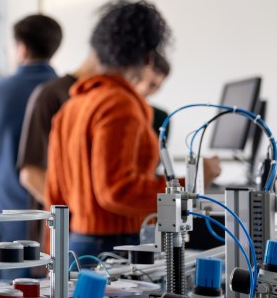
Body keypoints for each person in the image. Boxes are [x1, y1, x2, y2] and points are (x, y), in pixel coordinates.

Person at [45, 0, 220, 257]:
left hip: (77, 244)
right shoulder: (121, 103)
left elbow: (55, 194)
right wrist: (193, 182)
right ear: (148, 58)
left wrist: (54, 256)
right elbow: (117, 191)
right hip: (113, 247)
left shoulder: (73, 106)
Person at [18, 50, 170, 204]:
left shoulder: (141, 112)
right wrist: (70, 215)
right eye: (141, 79)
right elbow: (32, 174)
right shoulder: (58, 96)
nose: (144, 88)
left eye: (154, 86)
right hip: (69, 220)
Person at [0, 14, 62, 246]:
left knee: (6, 280)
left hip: (9, 215)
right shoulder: (68, 92)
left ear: (22, 48)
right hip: (56, 215)